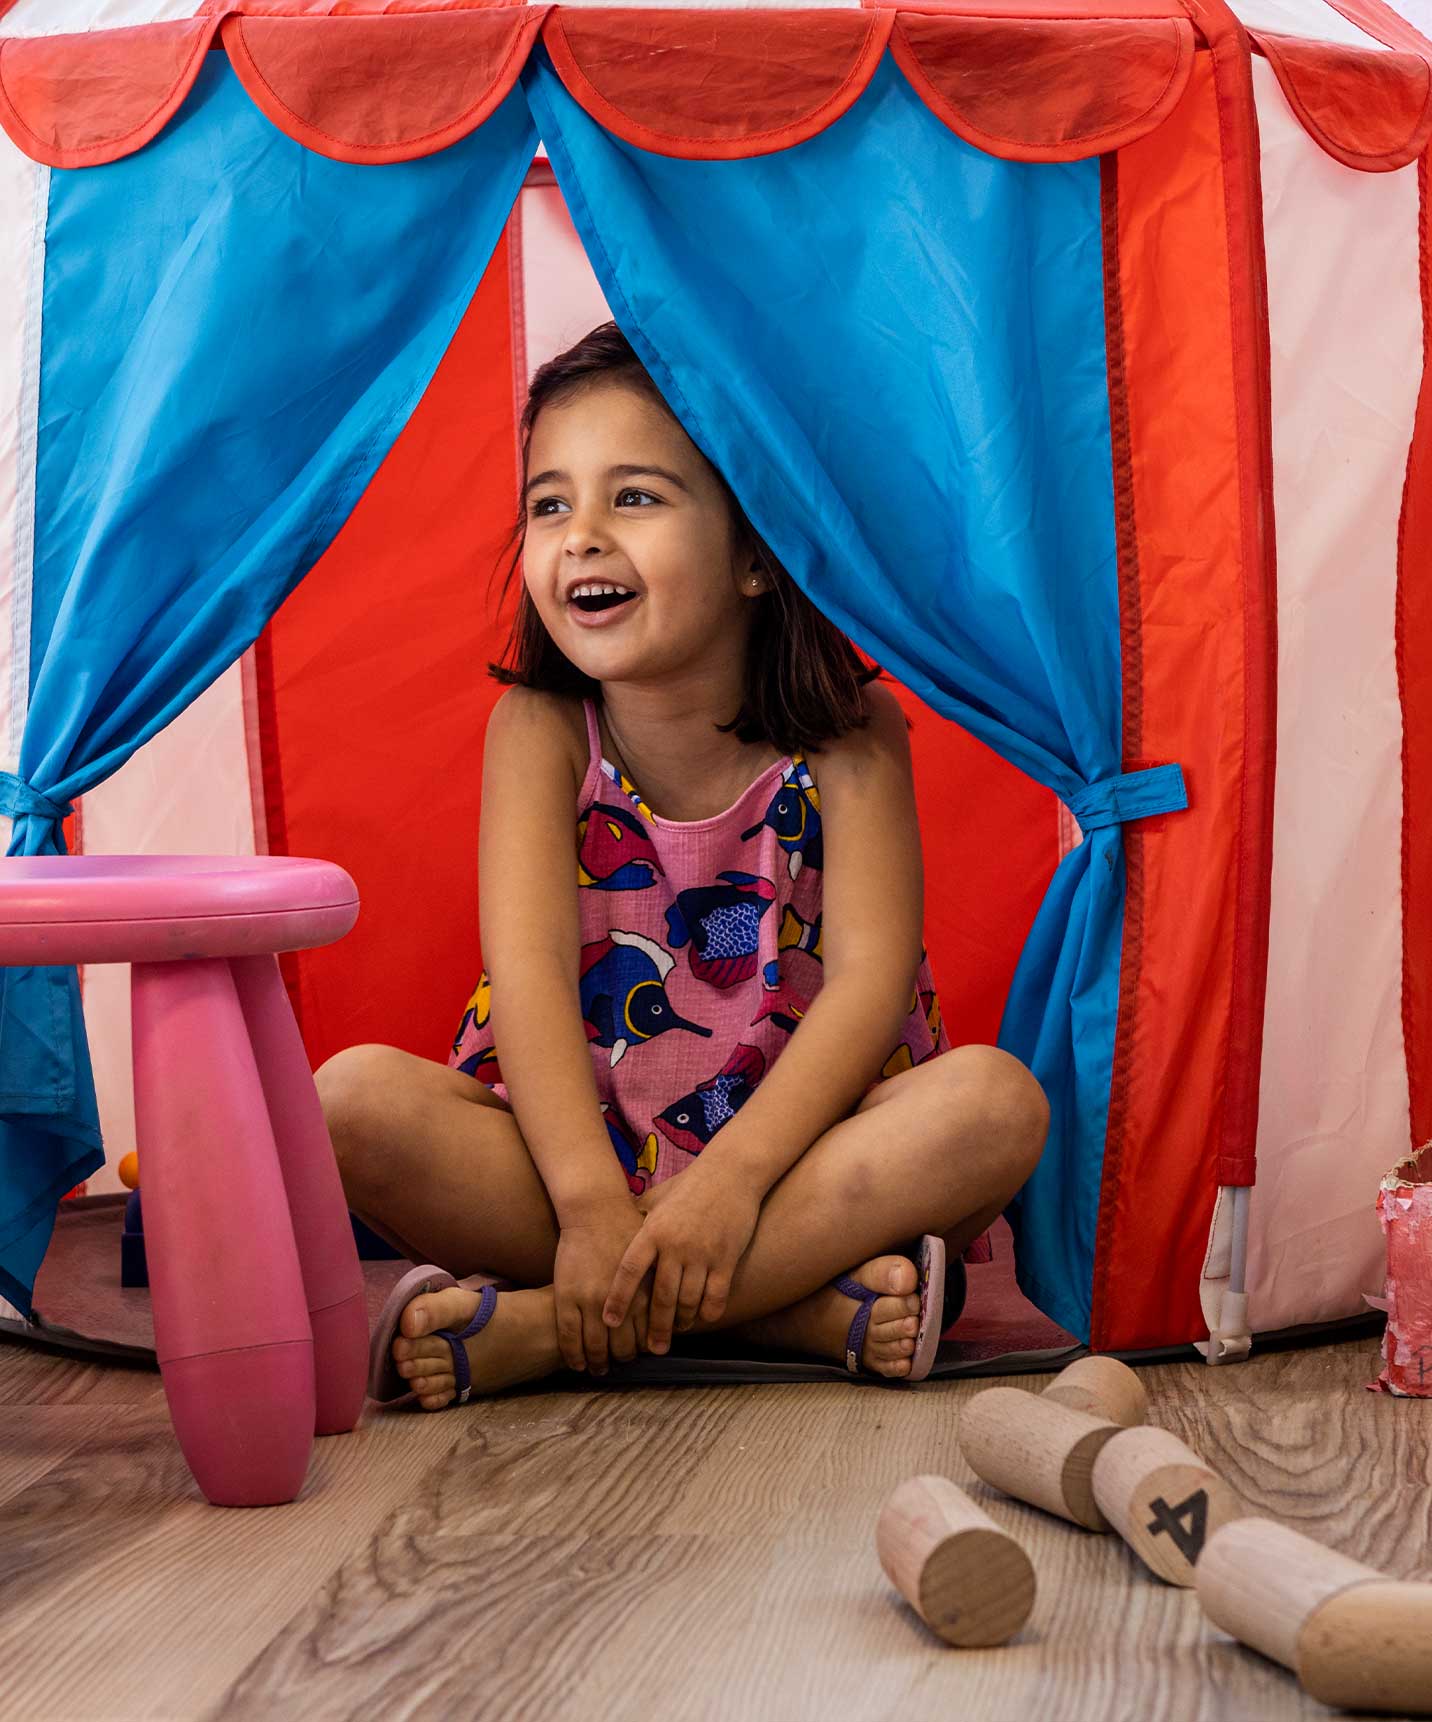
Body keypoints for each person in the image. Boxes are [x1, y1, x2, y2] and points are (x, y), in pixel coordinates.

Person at [316, 320, 1049, 1410]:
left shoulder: (853, 734)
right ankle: (788, 1314)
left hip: (797, 1163)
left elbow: (866, 987)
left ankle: (559, 1334)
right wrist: (586, 1206)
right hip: (573, 1159)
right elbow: (522, 984)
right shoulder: (539, 731)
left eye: (636, 498)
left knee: (997, 1105)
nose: (582, 537)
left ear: (756, 553)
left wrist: (735, 1184)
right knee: (348, 1101)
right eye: (550, 503)